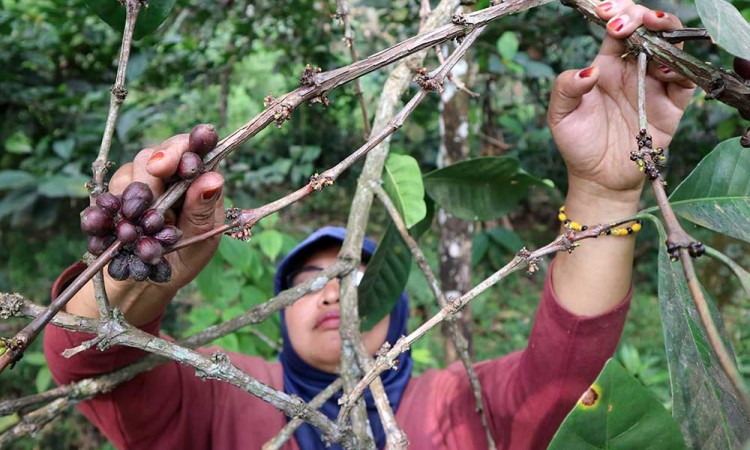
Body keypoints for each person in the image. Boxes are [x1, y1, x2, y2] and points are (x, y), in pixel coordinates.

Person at [44, 2, 695, 449]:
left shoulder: (461, 403)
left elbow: (571, 377)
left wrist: (607, 193)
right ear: (278, 312)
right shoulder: (213, 401)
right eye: (308, 282)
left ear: (403, 308)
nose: (332, 293)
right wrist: (137, 276)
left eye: (354, 279)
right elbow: (95, 360)